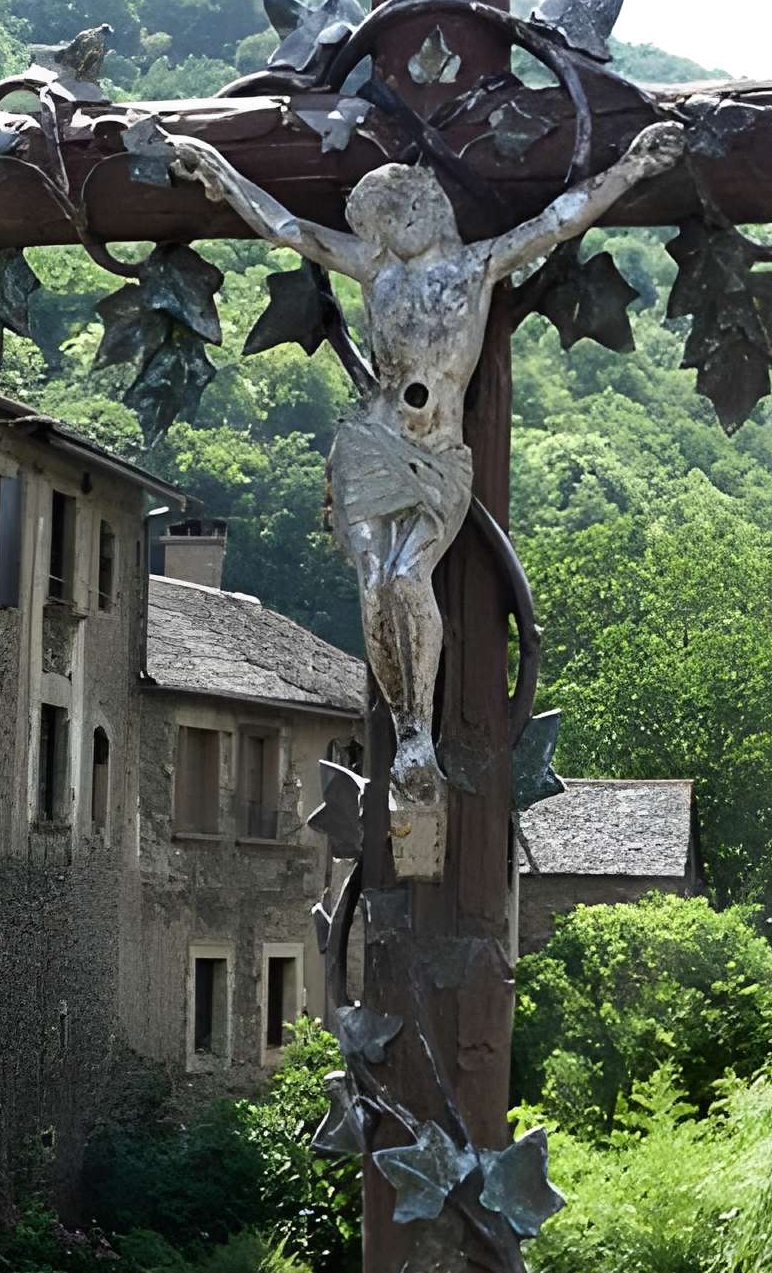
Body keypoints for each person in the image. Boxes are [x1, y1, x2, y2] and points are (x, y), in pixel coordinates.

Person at [164, 121, 686, 847]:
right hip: (370, 443)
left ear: (422, 210)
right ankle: (410, 731)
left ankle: (416, 732)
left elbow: (558, 220)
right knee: (375, 582)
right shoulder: (376, 272)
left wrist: (630, 168)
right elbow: (286, 228)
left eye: (392, 214)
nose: (385, 230)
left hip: (439, 453)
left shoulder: (475, 267)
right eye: (377, 220)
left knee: (411, 578)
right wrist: (219, 170)